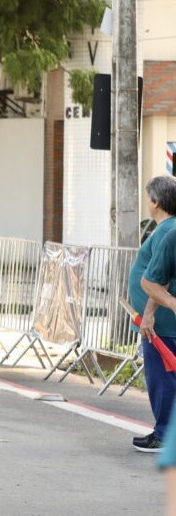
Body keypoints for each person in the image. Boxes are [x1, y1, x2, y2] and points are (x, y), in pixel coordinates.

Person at [126, 176, 176, 454]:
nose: (147, 203)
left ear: (156, 202)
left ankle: (164, 434)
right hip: (165, 321)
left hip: (163, 325)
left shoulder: (168, 232)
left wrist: (148, 316)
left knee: (162, 378)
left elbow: (159, 279)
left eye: (148, 198)